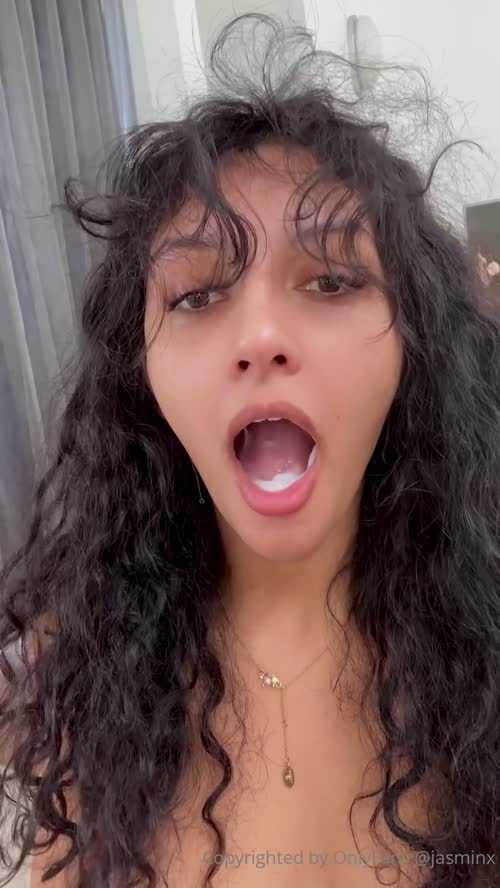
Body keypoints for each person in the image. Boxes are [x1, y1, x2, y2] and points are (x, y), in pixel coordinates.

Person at [1, 13, 499, 888]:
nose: (261, 335)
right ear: (141, 370)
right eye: (196, 297)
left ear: (412, 344)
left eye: (333, 279)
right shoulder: (70, 673)